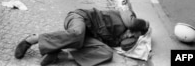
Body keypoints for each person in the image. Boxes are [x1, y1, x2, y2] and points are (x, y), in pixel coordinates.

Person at [14, 8, 149, 66]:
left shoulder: (118, 38)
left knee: (106, 52)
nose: (130, 35)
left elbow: (122, 46)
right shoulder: (123, 18)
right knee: (77, 35)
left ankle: (59, 55)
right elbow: (129, 21)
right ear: (133, 26)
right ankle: (33, 39)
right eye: (132, 32)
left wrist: (130, 40)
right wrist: (143, 27)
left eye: (133, 36)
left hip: (86, 36)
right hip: (79, 18)